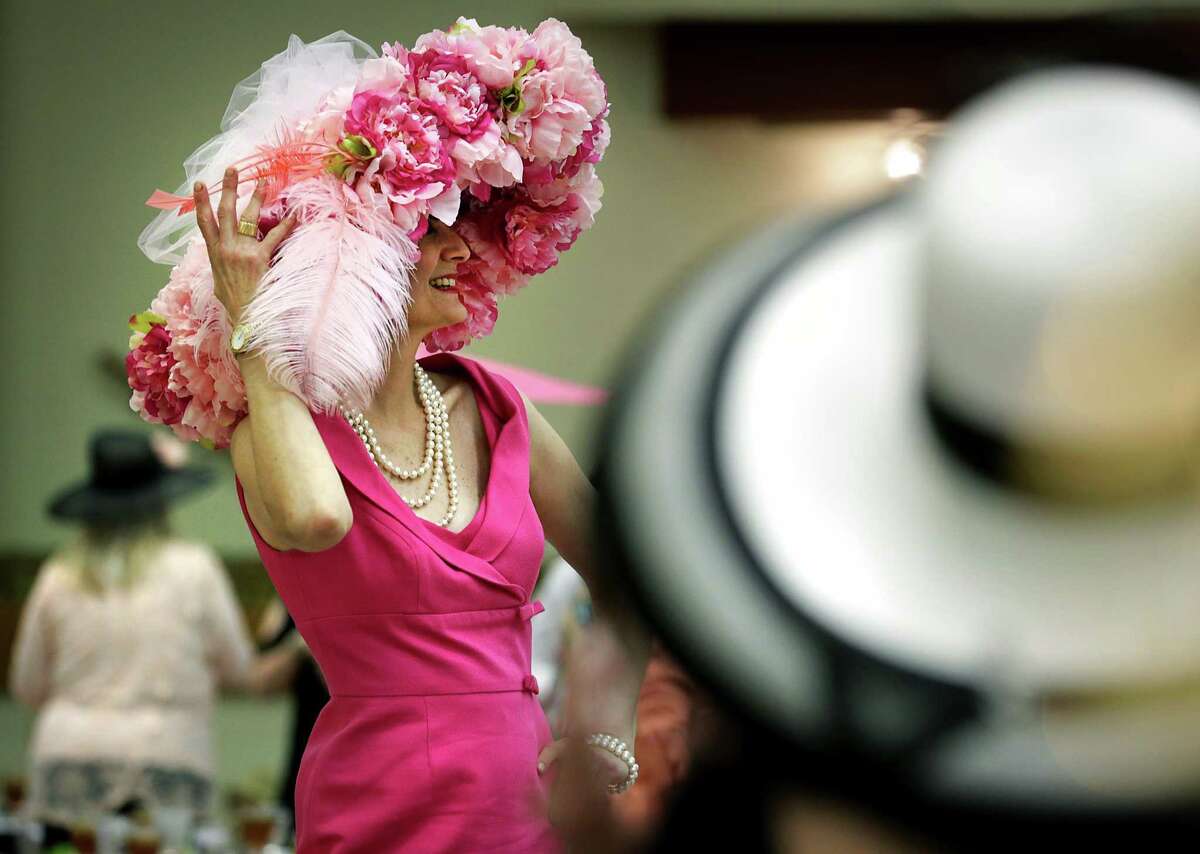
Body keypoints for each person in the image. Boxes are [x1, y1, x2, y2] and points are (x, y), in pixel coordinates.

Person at [139, 23, 651, 852]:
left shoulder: (502, 410)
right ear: (347, 256)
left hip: (527, 811)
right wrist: (256, 324)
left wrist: (608, 738)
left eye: (462, 222)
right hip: (375, 810)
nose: (458, 246)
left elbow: (634, 581)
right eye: (425, 230)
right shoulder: (276, 431)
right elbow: (315, 520)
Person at [8, 430, 254, 830]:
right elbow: (239, 669)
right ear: (162, 501)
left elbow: (26, 684)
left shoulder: (59, 574)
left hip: (70, 755)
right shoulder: (195, 568)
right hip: (170, 754)